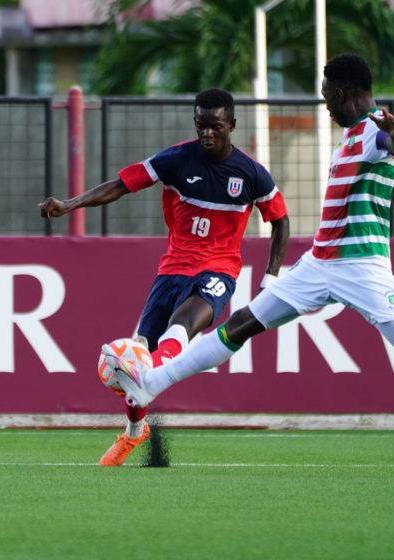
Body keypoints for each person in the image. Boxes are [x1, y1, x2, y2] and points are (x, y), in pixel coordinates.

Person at [101, 54, 394, 467]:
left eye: (325, 97)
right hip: (318, 263)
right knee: (240, 325)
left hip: (363, 268)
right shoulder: (352, 136)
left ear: (339, 93)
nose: (325, 106)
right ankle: (152, 383)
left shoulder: (375, 129)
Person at [39, 88, 290, 466]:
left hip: (218, 270)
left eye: (215, 127)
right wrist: (70, 203)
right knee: (140, 347)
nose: (207, 133)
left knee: (179, 329)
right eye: (201, 125)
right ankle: (136, 431)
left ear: (232, 126)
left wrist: (271, 279)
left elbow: (280, 221)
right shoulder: (175, 160)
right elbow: (121, 186)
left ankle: (147, 377)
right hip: (172, 270)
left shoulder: (252, 174)